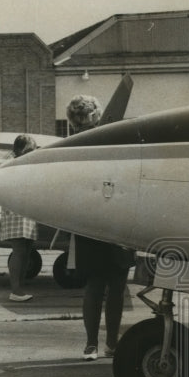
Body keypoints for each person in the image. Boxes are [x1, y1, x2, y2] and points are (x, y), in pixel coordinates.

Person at [64, 94, 135, 360]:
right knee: (105, 285)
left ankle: (101, 344)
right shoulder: (105, 141)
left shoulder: (74, 145)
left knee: (107, 285)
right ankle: (100, 344)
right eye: (81, 119)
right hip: (102, 221)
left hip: (99, 221)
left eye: (86, 118)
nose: (84, 124)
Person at [0, 134, 38, 302]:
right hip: (16, 209)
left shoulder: (28, 165)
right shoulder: (9, 165)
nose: (32, 153)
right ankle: (15, 290)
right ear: (18, 150)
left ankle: (19, 287)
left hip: (27, 209)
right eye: (29, 150)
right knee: (19, 250)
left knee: (27, 249)